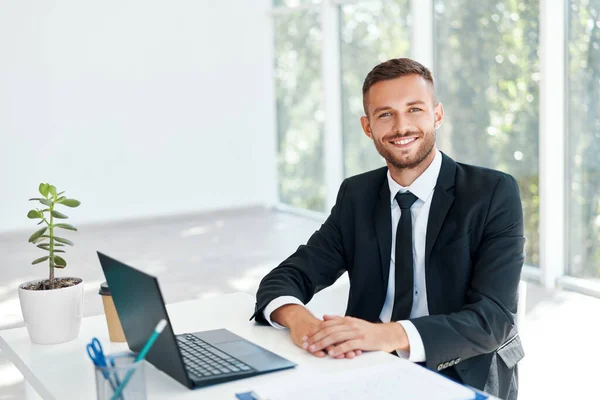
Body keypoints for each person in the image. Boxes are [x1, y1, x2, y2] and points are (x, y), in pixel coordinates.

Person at [251, 58, 525, 400]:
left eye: (414, 110)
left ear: (436, 115)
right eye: (385, 114)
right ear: (368, 127)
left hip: (462, 371)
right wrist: (300, 321)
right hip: (367, 367)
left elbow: (494, 319)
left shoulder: (491, 192)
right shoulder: (357, 195)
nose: (401, 127)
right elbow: (287, 276)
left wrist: (385, 335)